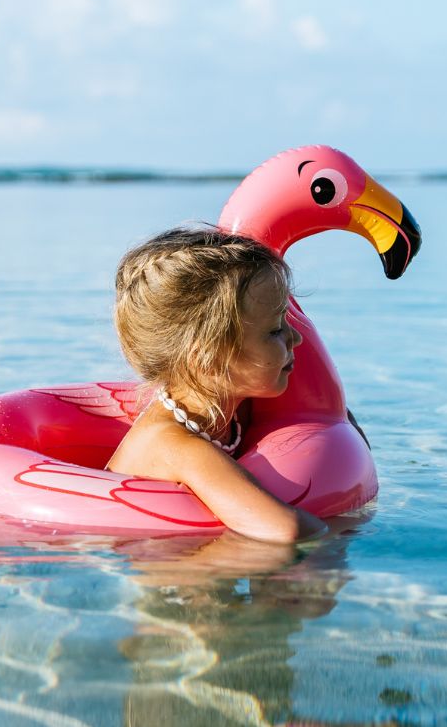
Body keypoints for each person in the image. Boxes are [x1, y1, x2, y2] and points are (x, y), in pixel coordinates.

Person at [106, 226, 328, 544]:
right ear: (210, 360)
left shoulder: (234, 411)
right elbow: (285, 530)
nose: (297, 338)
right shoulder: (175, 447)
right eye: (276, 329)